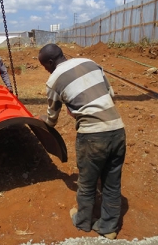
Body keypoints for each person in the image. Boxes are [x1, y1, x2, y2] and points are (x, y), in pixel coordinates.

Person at [37, 44, 126, 240]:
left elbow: (52, 119)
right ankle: (109, 228)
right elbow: (110, 95)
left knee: (87, 181)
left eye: (45, 66)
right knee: (112, 183)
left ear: (50, 62)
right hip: (117, 129)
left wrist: (44, 119)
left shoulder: (54, 80)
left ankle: (83, 221)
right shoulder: (90, 63)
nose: (46, 70)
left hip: (92, 136)